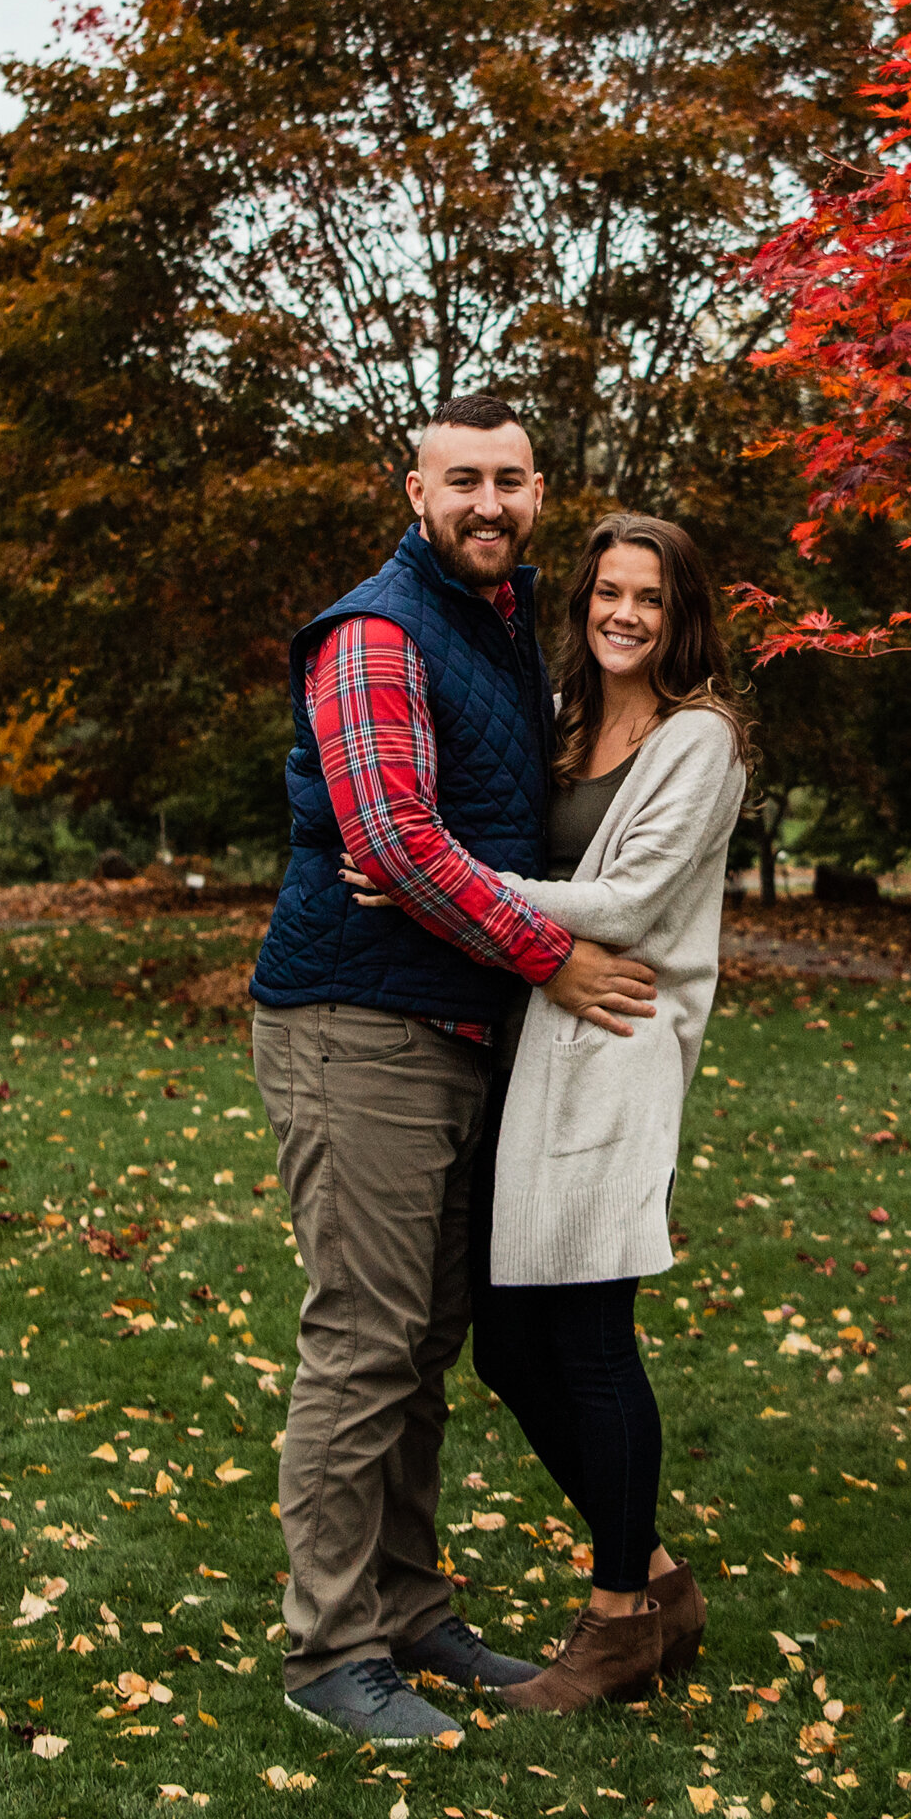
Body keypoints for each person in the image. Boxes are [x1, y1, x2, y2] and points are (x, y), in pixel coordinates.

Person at [248, 395, 659, 1746]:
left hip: (446, 1028)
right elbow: (393, 834)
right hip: (355, 1023)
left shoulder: (492, 630)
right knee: (363, 1342)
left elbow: (448, 835)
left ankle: (409, 1605)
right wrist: (547, 956)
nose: (488, 504)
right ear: (413, 490)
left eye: (510, 481)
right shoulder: (376, 630)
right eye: (461, 481)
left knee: (421, 1342)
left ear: (537, 492)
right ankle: (328, 1652)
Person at [346, 512, 750, 1712]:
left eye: (650, 598)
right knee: (512, 1345)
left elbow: (623, 901)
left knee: (586, 1338)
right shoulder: (570, 724)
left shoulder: (701, 740)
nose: (623, 614)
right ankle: (660, 1578)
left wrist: (442, 887)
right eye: (606, 593)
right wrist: (474, 891)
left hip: (617, 1043)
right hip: (537, 1043)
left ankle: (620, 1613)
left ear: (683, 617)